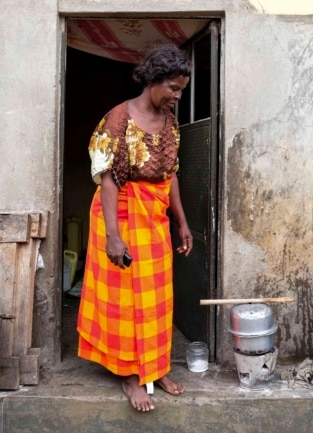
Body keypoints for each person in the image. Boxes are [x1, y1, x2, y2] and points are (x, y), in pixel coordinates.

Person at [77, 44, 193, 412]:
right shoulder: (117, 119)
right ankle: (129, 377)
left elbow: (170, 174)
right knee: (124, 299)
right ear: (154, 81)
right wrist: (113, 235)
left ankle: (155, 368)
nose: (177, 96)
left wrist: (182, 221)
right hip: (120, 215)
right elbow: (108, 180)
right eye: (173, 88)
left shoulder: (171, 124)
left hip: (154, 218)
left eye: (181, 90)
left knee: (157, 298)